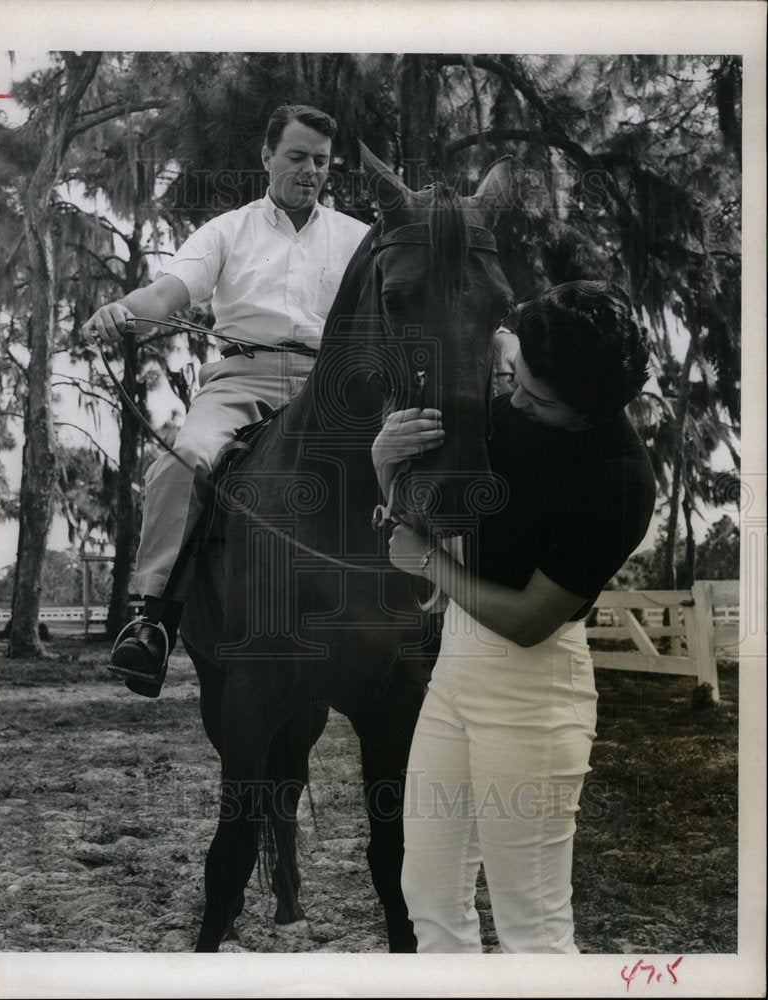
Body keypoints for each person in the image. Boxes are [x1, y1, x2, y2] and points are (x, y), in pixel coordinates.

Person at [371, 280, 656, 953]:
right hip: (455, 673)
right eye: (518, 379)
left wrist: (430, 565)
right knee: (430, 897)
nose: (518, 400)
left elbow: (531, 618)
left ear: (591, 408)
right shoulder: (508, 408)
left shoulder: (619, 478)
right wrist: (382, 460)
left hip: (534, 692)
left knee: (530, 919)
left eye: (540, 398)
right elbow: (420, 515)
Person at [83, 105, 369, 696]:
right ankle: (152, 618)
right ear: (266, 157)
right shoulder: (226, 230)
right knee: (183, 459)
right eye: (296, 157)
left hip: (334, 385)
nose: (309, 171)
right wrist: (124, 311)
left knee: (413, 450)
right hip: (244, 380)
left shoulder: (358, 239)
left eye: (320, 161)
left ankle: (435, 610)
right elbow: (169, 292)